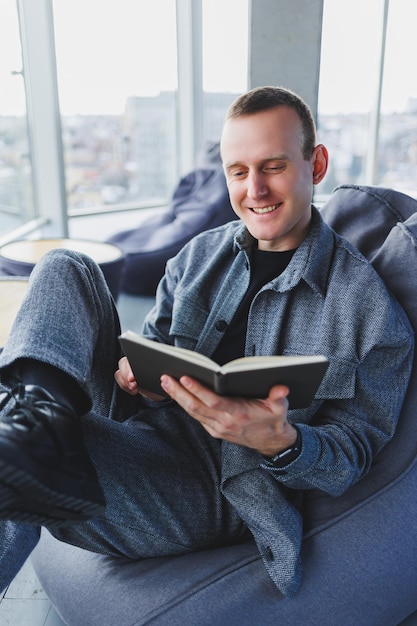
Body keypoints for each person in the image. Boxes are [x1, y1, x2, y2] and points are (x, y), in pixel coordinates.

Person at [0, 86, 413, 599]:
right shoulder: (198, 256)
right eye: (239, 172)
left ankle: (25, 437)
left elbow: (352, 455)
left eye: (274, 166)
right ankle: (30, 419)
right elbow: (152, 343)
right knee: (66, 266)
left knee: (16, 463)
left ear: (317, 163)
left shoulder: (370, 313)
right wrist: (137, 377)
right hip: (145, 423)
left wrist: (281, 442)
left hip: (223, 486)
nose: (255, 189)